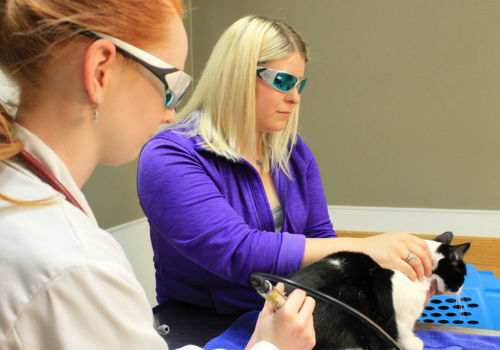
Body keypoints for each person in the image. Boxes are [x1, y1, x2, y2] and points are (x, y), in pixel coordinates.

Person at [0, 2, 315, 349]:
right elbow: (238, 251)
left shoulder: (26, 207)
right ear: (100, 71)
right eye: (170, 83)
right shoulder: (73, 263)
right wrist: (271, 347)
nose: (171, 112)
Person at [137, 15, 435, 315]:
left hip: (290, 319)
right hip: (208, 330)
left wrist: (385, 287)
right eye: (283, 81)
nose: (294, 98)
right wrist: (365, 248)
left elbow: (321, 243)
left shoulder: (293, 154)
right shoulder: (169, 157)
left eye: (299, 85)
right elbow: (237, 252)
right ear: (237, 75)